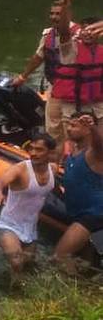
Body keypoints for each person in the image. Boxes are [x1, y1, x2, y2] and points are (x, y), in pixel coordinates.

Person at [12, 0, 103, 142]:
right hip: (63, 91)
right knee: (57, 131)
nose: (88, 34)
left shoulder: (92, 44)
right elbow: (41, 54)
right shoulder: (65, 44)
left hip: (91, 98)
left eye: (92, 31)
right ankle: (58, 158)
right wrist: (23, 76)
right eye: (52, 13)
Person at [0, 129, 56, 273]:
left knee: (29, 267)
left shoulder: (53, 170)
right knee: (17, 262)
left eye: (39, 150)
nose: (33, 153)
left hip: (30, 229)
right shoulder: (20, 169)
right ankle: (11, 293)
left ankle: (13, 284)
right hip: (9, 225)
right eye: (31, 148)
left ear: (50, 153)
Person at [53, 111, 103, 270]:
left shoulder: (93, 154)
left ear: (87, 130)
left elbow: (100, 147)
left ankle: (65, 290)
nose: (68, 129)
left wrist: (93, 128)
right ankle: (84, 287)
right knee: (85, 262)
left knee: (59, 257)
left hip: (94, 214)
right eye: (69, 124)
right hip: (78, 213)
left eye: (74, 126)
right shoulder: (73, 152)